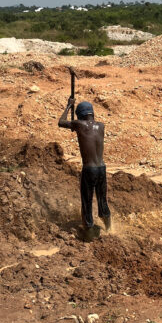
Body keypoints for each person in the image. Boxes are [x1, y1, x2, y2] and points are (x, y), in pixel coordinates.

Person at [58, 98, 110, 241]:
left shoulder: (79, 124)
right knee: (102, 199)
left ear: (80, 115)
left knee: (87, 201)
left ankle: (88, 232)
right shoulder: (101, 125)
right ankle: (109, 229)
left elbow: (61, 122)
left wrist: (68, 105)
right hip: (102, 168)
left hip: (90, 169)